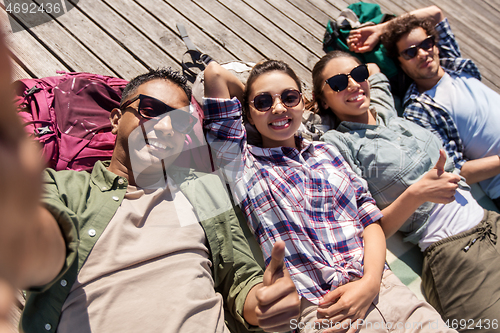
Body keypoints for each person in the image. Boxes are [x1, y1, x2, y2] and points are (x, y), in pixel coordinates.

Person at [18, 67, 301, 333]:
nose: (166, 127)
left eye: (181, 121)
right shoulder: (64, 188)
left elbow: (239, 277)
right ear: (116, 120)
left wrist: (264, 303)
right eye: (150, 110)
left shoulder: (203, 188)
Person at [202, 60, 454, 333]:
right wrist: (253, 94)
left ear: (302, 102)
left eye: (289, 97)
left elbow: (369, 220)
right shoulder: (241, 163)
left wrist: (370, 282)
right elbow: (214, 73)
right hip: (324, 310)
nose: (278, 108)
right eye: (263, 102)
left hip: (386, 290)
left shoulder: (327, 152)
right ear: (248, 115)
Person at [310, 50, 500, 331]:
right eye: (338, 83)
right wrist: (417, 193)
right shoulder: (338, 144)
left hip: (490, 221)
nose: (353, 85)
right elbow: (369, 228)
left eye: (358, 75)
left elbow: (375, 69)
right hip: (456, 250)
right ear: (323, 100)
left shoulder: (385, 110)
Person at [349, 5, 500, 209]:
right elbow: (456, 171)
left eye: (426, 43)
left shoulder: (452, 62)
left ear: (435, 45)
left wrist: (380, 29)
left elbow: (436, 13)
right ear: (400, 64)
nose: (422, 53)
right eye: (410, 52)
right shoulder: (419, 110)